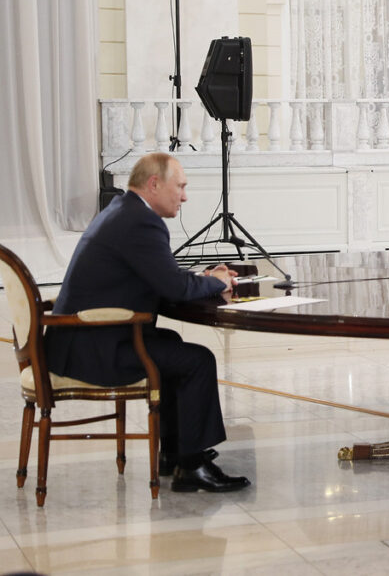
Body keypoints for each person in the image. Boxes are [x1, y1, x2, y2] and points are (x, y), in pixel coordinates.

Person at [45, 153, 251, 493]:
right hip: (93, 350)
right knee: (198, 360)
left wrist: (203, 278)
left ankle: (174, 452)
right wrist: (216, 283)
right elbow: (174, 288)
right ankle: (192, 466)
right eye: (180, 187)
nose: (184, 196)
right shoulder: (140, 222)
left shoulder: (124, 211)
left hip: (82, 340)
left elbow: (160, 274)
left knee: (170, 344)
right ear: (154, 184)